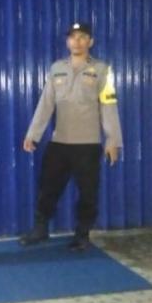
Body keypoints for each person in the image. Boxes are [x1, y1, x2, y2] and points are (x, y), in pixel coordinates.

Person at [20, 22, 123, 251]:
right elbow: (46, 103)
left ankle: (82, 235)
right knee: (47, 188)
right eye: (73, 37)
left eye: (82, 37)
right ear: (67, 42)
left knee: (88, 193)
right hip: (59, 143)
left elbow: (108, 106)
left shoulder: (102, 70)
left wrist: (112, 140)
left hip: (87, 145)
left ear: (90, 42)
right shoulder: (57, 68)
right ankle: (40, 229)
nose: (77, 41)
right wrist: (33, 134)